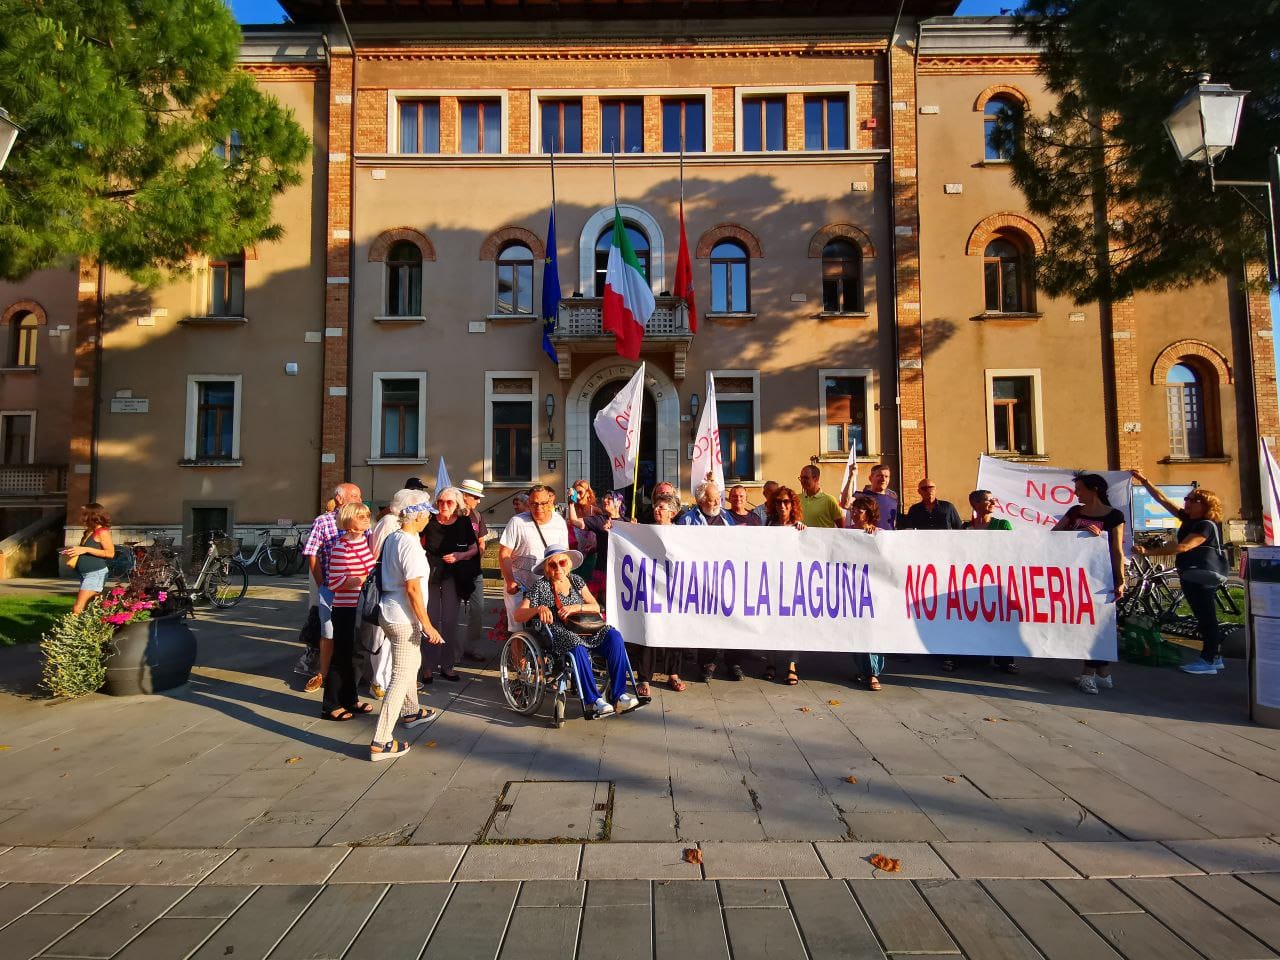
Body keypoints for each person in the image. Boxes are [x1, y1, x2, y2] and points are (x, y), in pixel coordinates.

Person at [515, 546, 638, 717]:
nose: (558, 568)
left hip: (586, 627)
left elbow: (595, 607)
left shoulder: (576, 581)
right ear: (547, 568)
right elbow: (518, 614)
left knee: (614, 636)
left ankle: (620, 695)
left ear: (568, 563)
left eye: (562, 562)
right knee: (576, 645)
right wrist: (538, 609)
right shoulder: (540, 586)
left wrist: (575, 607)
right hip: (558, 632)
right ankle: (594, 701)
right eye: (553, 565)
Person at [370, 494, 444, 761]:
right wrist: (427, 625)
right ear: (417, 515)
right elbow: (413, 588)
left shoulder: (395, 537)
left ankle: (411, 711)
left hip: (391, 611)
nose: (430, 518)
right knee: (401, 675)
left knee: (411, 662)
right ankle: (381, 740)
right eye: (427, 514)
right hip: (403, 616)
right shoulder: (409, 544)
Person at [1132, 473, 1227, 676]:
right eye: (1187, 499)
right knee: (1204, 616)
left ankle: (1209, 659)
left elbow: (1184, 547)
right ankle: (1214, 657)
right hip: (1192, 575)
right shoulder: (1188, 520)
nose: (1187, 502)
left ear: (1205, 505)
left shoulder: (1205, 525)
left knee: (1206, 617)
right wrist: (1145, 481)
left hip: (1202, 576)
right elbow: (1162, 500)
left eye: (1193, 500)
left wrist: (1149, 552)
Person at [1052, 473, 1125, 694]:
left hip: (1102, 576)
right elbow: (1054, 536)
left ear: (1094, 489)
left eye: (1080, 489)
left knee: (1098, 625)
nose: (1076, 493)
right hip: (1075, 576)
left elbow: (1116, 549)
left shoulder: (1114, 515)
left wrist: (1121, 580)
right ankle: (1103, 672)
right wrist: (1079, 534)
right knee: (1086, 623)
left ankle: (1088, 674)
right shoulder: (1074, 513)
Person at [301, 483, 364, 694]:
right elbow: (312, 553)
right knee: (328, 633)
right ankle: (323, 674)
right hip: (332, 589)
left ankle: (351, 677)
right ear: (339, 498)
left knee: (353, 633)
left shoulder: (361, 520)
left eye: (359, 495)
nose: (359, 499)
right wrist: (322, 585)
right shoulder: (323, 521)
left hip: (356, 590)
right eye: (354, 495)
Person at [677, 481, 740, 681]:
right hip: (701, 580)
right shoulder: (687, 520)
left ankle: (733, 663)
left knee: (731, 621)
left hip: (726, 578)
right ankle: (707, 664)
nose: (717, 503)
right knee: (707, 622)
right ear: (701, 501)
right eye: (713, 499)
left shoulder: (726, 516)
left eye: (718, 499)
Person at [630, 491, 690, 694]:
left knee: (675, 631)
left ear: (672, 513)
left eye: (662, 507)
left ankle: (673, 673)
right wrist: (628, 530)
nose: (657, 509)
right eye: (656, 506)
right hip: (651, 589)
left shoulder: (682, 534)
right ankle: (645, 678)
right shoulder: (646, 531)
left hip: (675, 589)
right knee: (649, 629)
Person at [323, 502, 377, 721]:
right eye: (361, 516)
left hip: (361, 606)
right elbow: (333, 583)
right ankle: (330, 704)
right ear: (348, 522)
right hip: (345, 609)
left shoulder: (363, 542)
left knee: (357, 655)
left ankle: (350, 699)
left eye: (367, 515)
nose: (366, 518)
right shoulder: (340, 547)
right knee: (342, 656)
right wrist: (358, 580)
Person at [422, 487, 480, 684]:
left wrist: (460, 556)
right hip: (430, 575)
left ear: (457, 505)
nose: (444, 506)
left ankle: (447, 666)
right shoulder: (428, 522)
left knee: (449, 621)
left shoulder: (464, 522)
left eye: (449, 502)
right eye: (440, 502)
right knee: (429, 620)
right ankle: (427, 666)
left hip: (453, 575)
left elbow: (474, 549)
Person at [499, 483, 570, 629]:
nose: (539, 508)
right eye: (534, 504)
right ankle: (517, 651)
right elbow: (504, 553)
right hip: (520, 584)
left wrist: (565, 579)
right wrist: (510, 580)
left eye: (543, 503)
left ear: (550, 502)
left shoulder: (559, 522)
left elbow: (564, 554)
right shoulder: (517, 522)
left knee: (550, 628)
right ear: (528, 503)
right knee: (518, 629)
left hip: (547, 585)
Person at [962, 490, 1017, 675]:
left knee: (1000, 618)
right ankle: (961, 655)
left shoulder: (1002, 524)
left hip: (996, 579)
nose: (993, 502)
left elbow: (1012, 549)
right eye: (988, 500)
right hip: (971, 580)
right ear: (975, 504)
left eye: (994, 498)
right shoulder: (965, 528)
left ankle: (1005, 660)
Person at [764, 485, 807, 684]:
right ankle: (770, 662)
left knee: (793, 624)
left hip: (792, 583)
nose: (782, 505)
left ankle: (792, 665)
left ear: (792, 504)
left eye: (786, 502)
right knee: (771, 623)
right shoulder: (767, 526)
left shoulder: (799, 528)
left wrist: (804, 532)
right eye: (778, 502)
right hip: (772, 582)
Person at [846, 495, 885, 691]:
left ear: (869, 513)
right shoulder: (846, 532)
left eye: (859, 511)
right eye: (853, 510)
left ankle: (872, 673)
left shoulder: (879, 533)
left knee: (872, 631)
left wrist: (873, 538)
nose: (854, 513)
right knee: (856, 633)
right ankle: (863, 670)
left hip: (873, 590)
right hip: (851, 589)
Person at [457, 479, 490, 664]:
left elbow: (482, 542)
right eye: (475, 497)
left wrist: (477, 557)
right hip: (454, 571)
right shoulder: (452, 515)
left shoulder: (477, 516)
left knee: (478, 609)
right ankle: (452, 649)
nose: (478, 501)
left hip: (474, 571)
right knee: (453, 612)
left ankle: (472, 646)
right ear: (464, 496)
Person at [569, 489, 624, 597]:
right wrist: (571, 503)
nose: (605, 500)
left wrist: (634, 528)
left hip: (620, 572)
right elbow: (574, 521)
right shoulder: (599, 520)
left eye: (610, 498)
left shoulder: (627, 522)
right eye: (604, 498)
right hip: (602, 569)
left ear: (619, 502)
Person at [65, 502, 115, 615]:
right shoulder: (90, 531)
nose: (81, 517)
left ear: (93, 515)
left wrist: (85, 549)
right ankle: (100, 628)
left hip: (95, 574)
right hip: (86, 574)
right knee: (94, 606)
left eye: (84, 514)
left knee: (78, 608)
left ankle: (71, 631)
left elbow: (110, 553)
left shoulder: (102, 532)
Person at [899, 478, 964, 530]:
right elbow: (909, 530)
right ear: (919, 491)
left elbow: (959, 529)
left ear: (936, 490)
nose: (929, 491)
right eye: (925, 489)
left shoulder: (948, 507)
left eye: (931, 488)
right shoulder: (914, 510)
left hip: (944, 545)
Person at [861, 464, 899, 531]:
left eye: (886, 476)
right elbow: (845, 504)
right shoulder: (862, 497)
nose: (883, 479)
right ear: (870, 478)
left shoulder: (893, 498)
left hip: (888, 538)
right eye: (880, 476)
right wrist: (851, 477)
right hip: (869, 538)